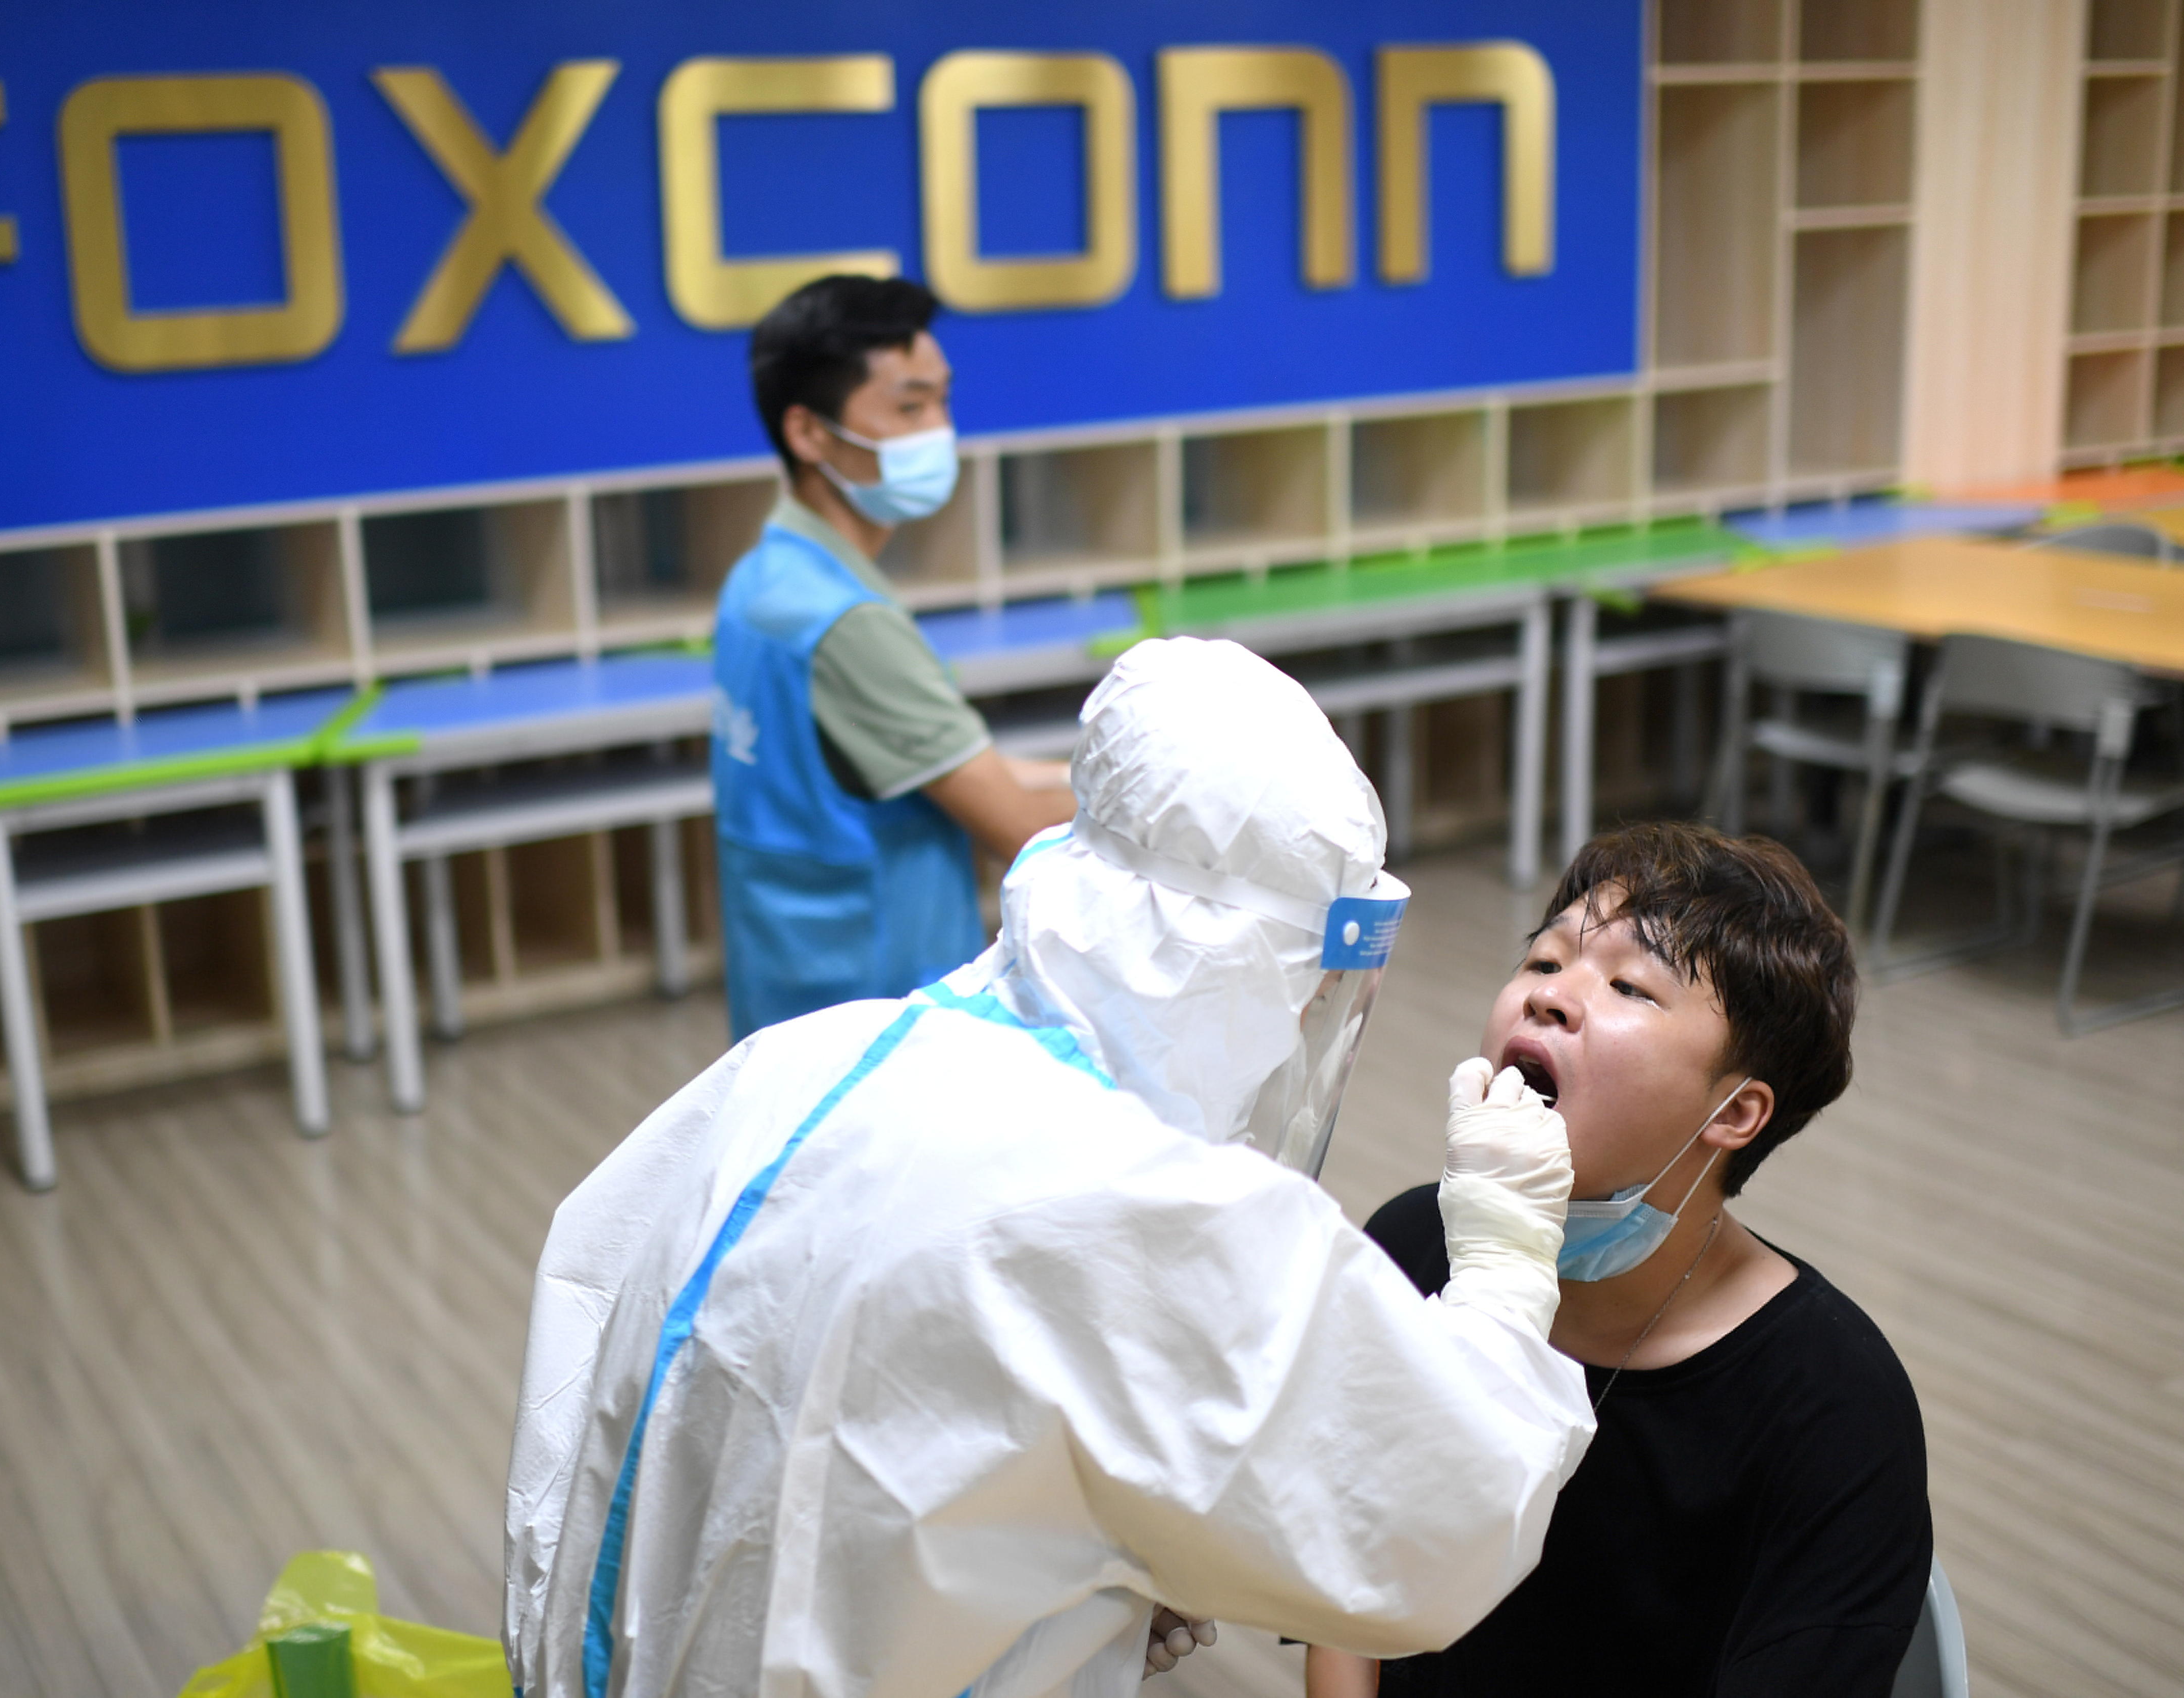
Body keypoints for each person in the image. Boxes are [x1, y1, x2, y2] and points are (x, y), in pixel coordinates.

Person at [505, 638, 1596, 1698]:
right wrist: (1503, 1257)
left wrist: (1077, 1582)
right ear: (1251, 959)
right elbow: (1435, 1519)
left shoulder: (797, 1065)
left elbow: (655, 1453)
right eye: (1310, 976)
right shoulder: (1145, 1208)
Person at [1307, 823, 1932, 1698]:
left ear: (1737, 1112)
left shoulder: (1833, 1404)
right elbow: (1347, 1596)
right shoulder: (1416, 1243)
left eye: (1632, 986)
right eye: (1546, 960)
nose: (1552, 997)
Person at [713, 274, 1073, 1041]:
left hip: (791, 996)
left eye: (943, 400)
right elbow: (1015, 822)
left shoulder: (766, 578)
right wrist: (1191, 798)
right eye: (910, 407)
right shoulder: (846, 621)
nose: (939, 430)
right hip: (876, 1010)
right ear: (809, 433)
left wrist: (1087, 777)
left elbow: (951, 766)